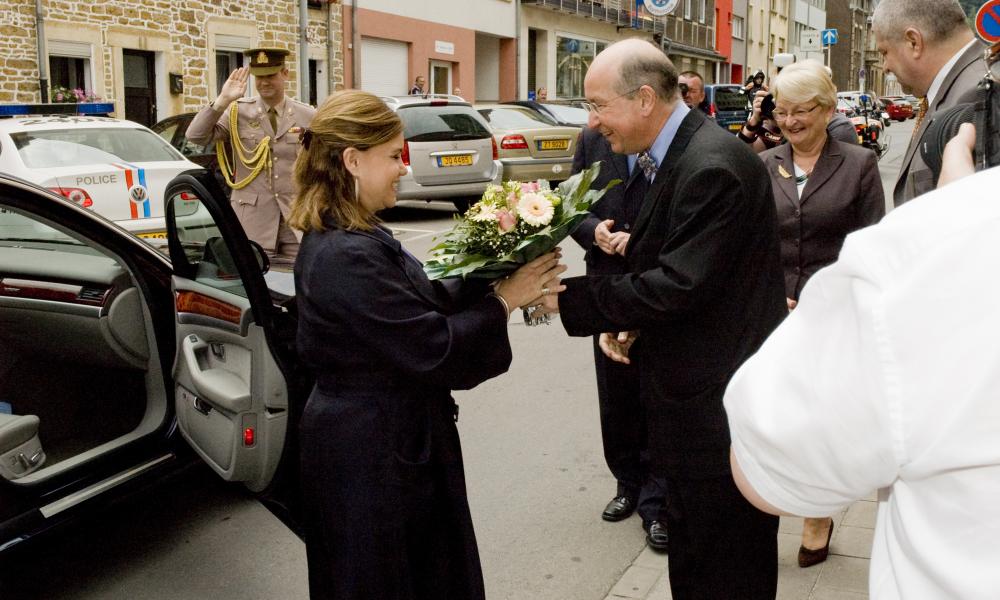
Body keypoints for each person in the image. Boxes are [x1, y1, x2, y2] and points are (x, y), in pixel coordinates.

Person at [290, 90, 565, 600]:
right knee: (389, 581)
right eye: (394, 156)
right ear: (352, 160)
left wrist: (496, 266)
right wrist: (504, 301)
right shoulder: (345, 254)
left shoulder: (356, 232)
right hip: (370, 459)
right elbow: (431, 346)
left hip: (386, 444)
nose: (403, 167)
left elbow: (426, 297)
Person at [548, 39, 787, 599]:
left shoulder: (710, 166)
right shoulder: (685, 152)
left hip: (717, 412)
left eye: (598, 105)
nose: (593, 121)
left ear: (645, 99)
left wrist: (565, 299)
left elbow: (681, 284)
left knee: (725, 563)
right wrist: (631, 322)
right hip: (695, 408)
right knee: (696, 555)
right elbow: (677, 265)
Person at [725, 122, 1000, 599]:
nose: (792, 120)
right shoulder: (766, 163)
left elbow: (765, 470)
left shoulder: (928, 245)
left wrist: (950, 231)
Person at [758, 60, 885, 568]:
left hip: (833, 316)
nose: (789, 122)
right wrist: (771, 292)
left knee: (823, 422)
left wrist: (825, 295)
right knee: (779, 419)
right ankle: (771, 498)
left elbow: (871, 243)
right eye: (781, 112)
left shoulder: (858, 164)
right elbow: (753, 242)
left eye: (801, 111)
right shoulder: (765, 165)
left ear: (828, 110)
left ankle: (818, 512)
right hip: (774, 315)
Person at [569, 127, 668, 550]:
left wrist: (642, 242)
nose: (598, 115)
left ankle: (658, 502)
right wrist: (595, 232)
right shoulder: (591, 140)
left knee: (658, 390)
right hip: (606, 282)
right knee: (615, 390)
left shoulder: (670, 138)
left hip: (658, 281)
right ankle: (626, 482)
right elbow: (570, 207)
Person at [186, 48, 315, 263]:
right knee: (256, 287)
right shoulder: (237, 111)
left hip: (295, 222)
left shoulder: (307, 115)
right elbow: (196, 136)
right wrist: (222, 101)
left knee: (299, 284)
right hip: (253, 223)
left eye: (271, 76)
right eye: (259, 77)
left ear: (285, 74)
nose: (264, 82)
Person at [871, 0, 986, 206]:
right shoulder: (966, 84)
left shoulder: (977, 97)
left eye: (884, 52)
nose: (885, 67)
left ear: (914, 42)